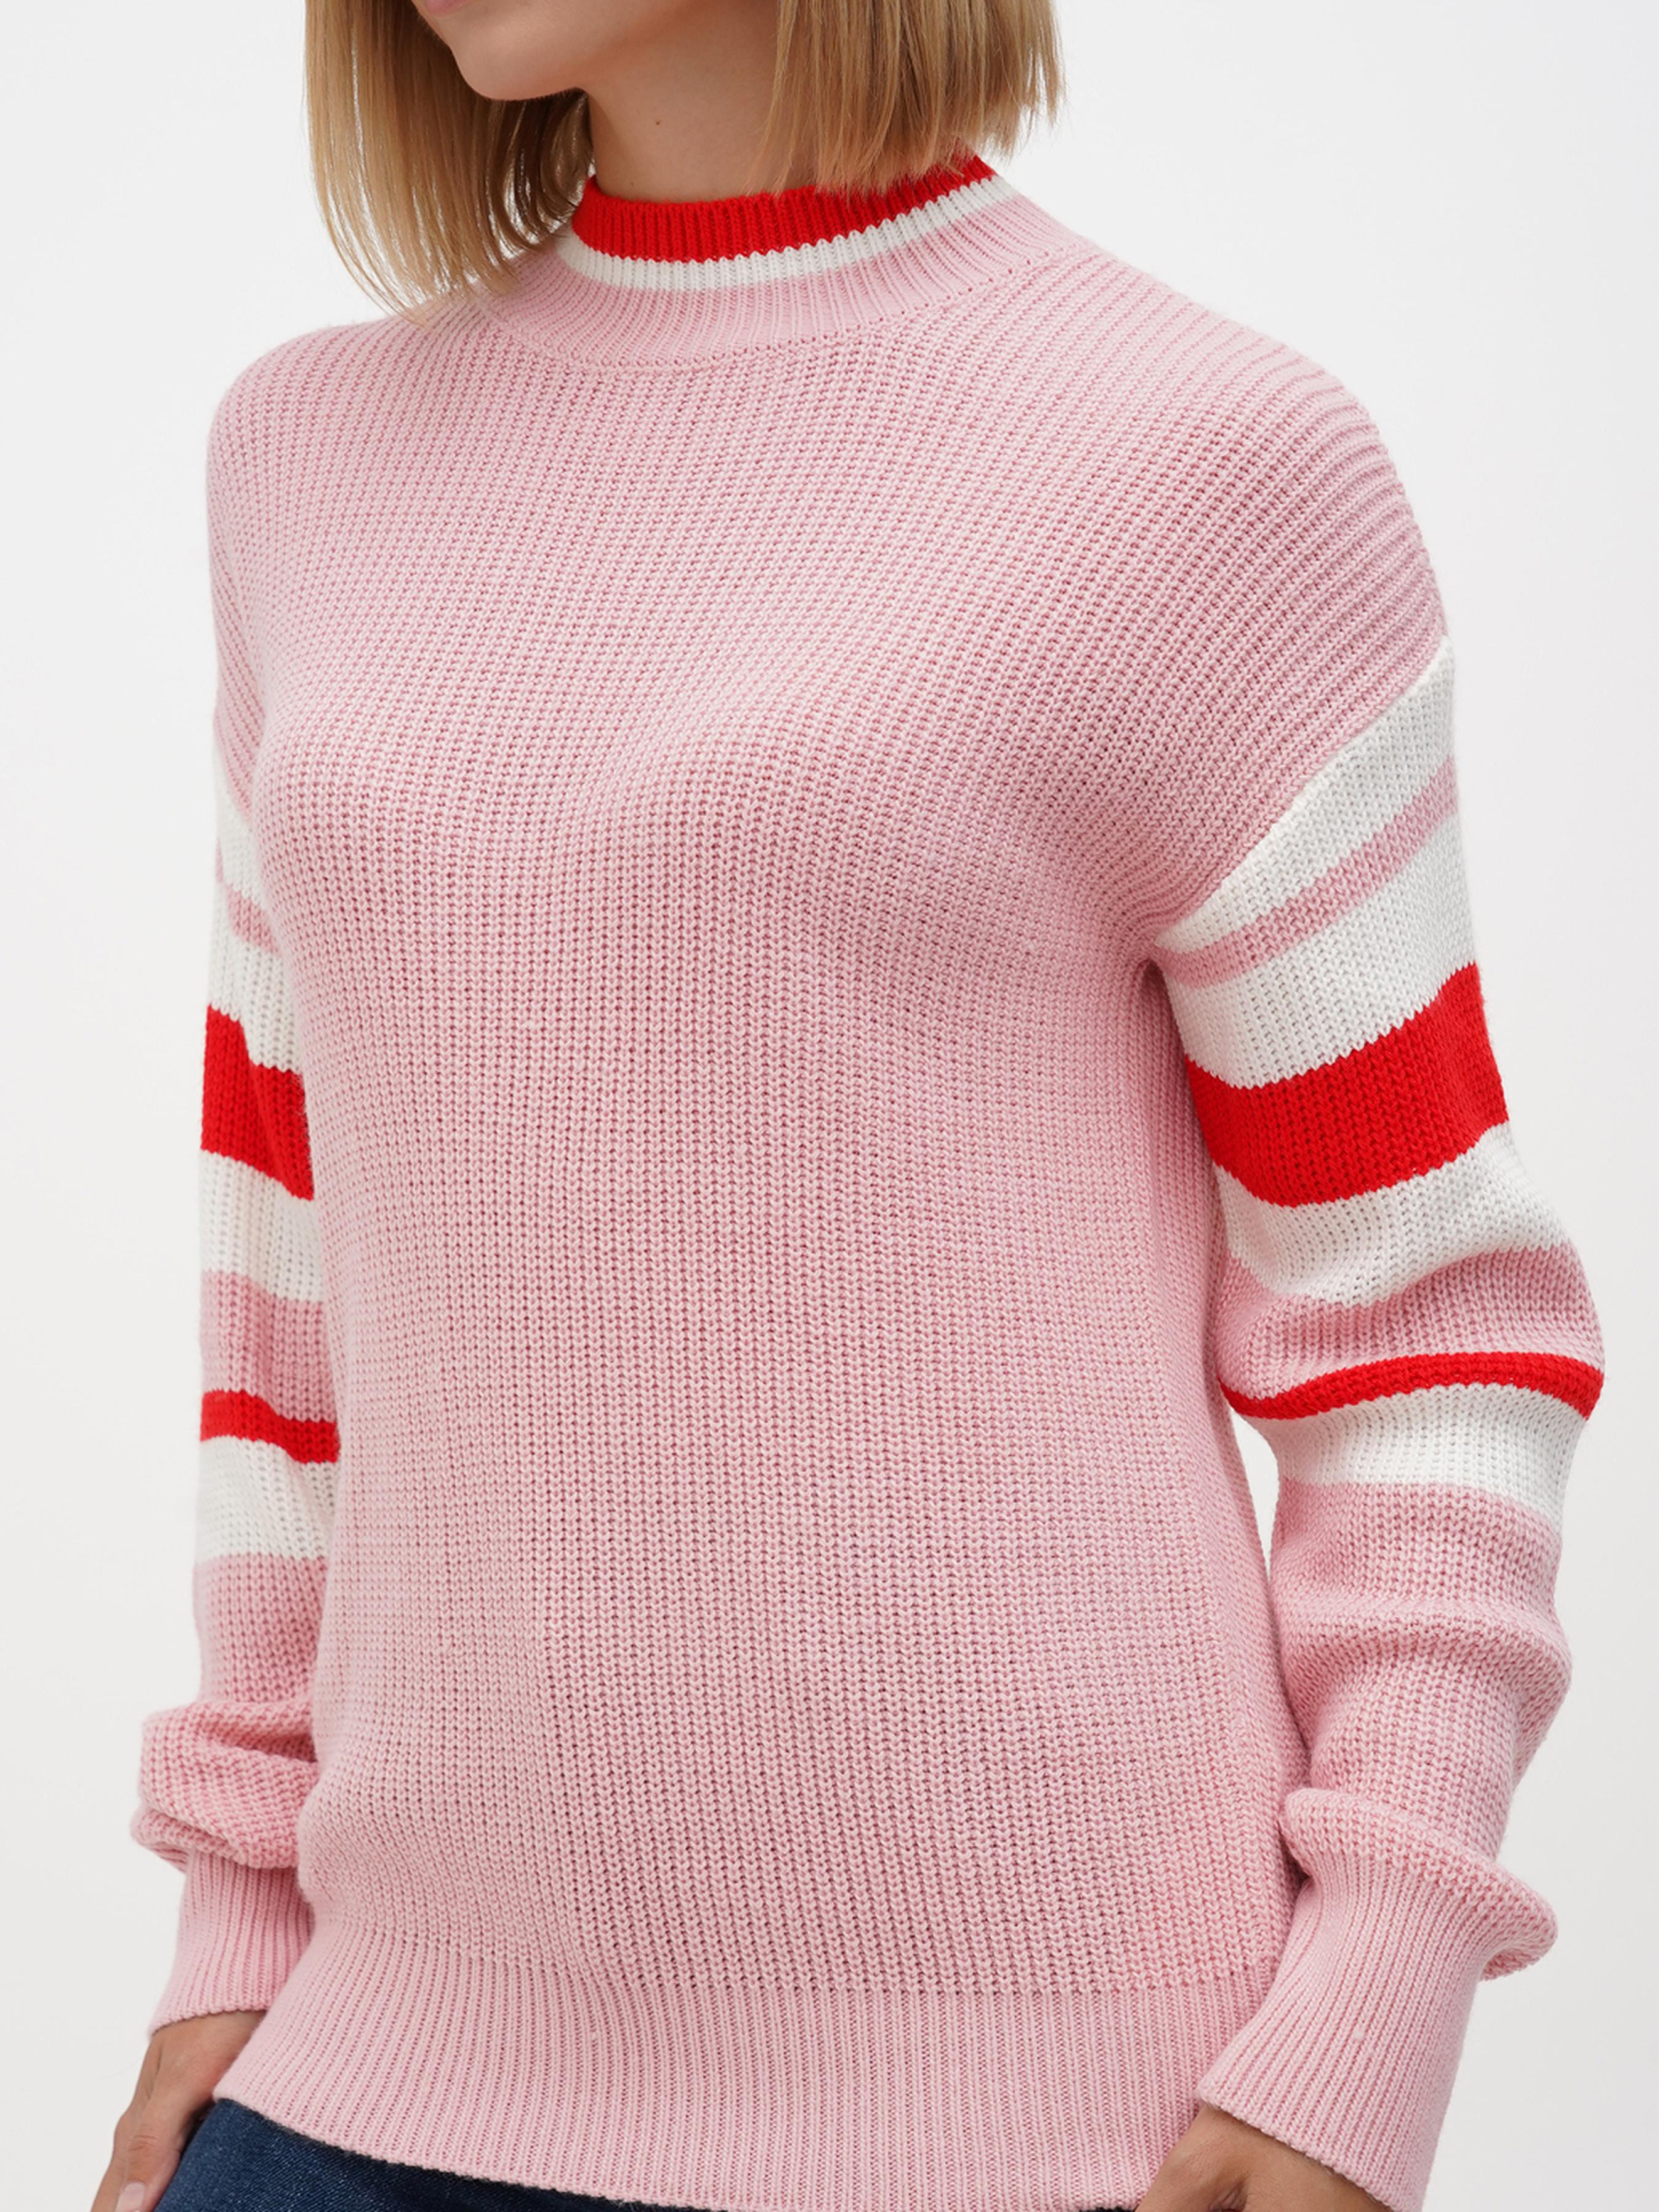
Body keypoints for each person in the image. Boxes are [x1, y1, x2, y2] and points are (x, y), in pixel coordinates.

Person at [95, 2, 1606, 2210]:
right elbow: (288, 1272)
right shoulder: (302, 457)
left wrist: (1374, 1992)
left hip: (1062, 2119)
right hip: (358, 2073)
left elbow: (1420, 1323)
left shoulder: (1203, 461)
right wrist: (233, 1904)